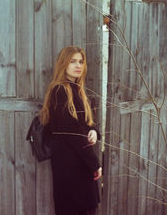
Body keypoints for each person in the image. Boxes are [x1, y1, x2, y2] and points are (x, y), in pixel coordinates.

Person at [39, 46, 102, 215]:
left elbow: (85, 122)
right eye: (72, 61)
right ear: (63, 64)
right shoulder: (60, 91)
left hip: (80, 164)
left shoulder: (78, 90)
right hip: (69, 167)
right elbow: (71, 132)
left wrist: (94, 131)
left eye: (80, 62)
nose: (78, 65)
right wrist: (94, 163)